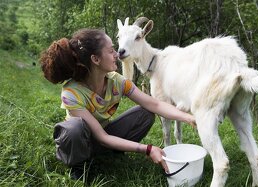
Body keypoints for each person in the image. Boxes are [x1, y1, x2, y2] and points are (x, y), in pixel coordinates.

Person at [39, 28, 196, 180]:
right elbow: (101, 137)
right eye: (111, 50)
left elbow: (154, 104)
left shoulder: (117, 81)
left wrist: (188, 117)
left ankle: (111, 152)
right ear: (95, 59)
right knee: (74, 129)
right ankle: (79, 167)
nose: (116, 54)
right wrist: (147, 149)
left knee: (145, 113)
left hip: (104, 136)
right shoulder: (71, 93)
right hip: (82, 141)